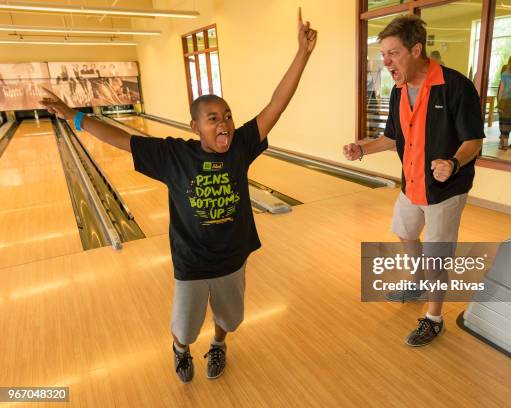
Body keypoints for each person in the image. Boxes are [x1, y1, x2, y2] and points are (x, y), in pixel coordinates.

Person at [41, 8, 317, 382]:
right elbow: (120, 139)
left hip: (232, 259)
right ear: (196, 126)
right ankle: (181, 349)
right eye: (213, 118)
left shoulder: (240, 147)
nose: (225, 123)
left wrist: (302, 53)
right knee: (186, 327)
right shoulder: (175, 155)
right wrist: (73, 116)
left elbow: (276, 104)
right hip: (191, 262)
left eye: (228, 115)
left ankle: (218, 346)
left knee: (230, 319)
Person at [342, 15, 484, 347]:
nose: (385, 61)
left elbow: (474, 140)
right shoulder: (399, 91)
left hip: (446, 190)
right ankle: (420, 280)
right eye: (383, 54)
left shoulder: (455, 86)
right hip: (412, 184)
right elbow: (393, 137)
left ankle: (434, 319)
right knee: (404, 231)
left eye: (392, 53)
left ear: (416, 49)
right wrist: (362, 150)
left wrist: (453, 162)